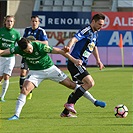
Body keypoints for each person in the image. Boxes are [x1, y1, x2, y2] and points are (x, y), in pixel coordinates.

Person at [0, 37, 82, 120]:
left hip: (50, 69)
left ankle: (94, 100)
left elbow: (59, 51)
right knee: (24, 90)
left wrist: (74, 60)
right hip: (35, 72)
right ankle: (16, 115)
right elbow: (3, 52)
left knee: (72, 85)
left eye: (30, 48)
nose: (30, 51)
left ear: (30, 43)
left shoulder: (39, 46)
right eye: (27, 51)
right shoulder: (18, 49)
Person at [60, 13, 106, 117]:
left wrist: (98, 60)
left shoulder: (95, 33)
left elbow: (94, 47)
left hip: (80, 63)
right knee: (90, 83)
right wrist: (68, 47)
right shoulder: (87, 30)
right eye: (99, 24)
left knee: (79, 88)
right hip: (75, 62)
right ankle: (70, 104)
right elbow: (74, 39)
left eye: (102, 25)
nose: (101, 27)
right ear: (93, 21)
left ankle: (65, 112)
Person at [20, 15, 48, 100]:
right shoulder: (27, 30)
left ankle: (29, 91)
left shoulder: (41, 31)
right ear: (30, 21)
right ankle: (22, 91)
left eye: (36, 21)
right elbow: (23, 41)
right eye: (33, 21)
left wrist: (35, 41)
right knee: (22, 73)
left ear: (39, 22)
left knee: (32, 74)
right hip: (26, 54)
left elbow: (46, 43)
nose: (34, 23)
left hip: (36, 56)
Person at [0, 15, 21, 102]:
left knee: (6, 76)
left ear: (13, 22)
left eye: (11, 21)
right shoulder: (1, 31)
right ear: (5, 22)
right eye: (8, 21)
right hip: (1, 58)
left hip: (10, 58)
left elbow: (20, 44)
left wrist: (16, 51)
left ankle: (2, 97)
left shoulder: (16, 33)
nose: (9, 23)